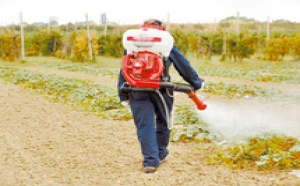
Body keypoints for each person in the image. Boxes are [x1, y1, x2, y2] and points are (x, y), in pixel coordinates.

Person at [117, 19, 204, 173]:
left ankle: (150, 161)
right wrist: (196, 83)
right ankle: (161, 152)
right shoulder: (165, 44)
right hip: (162, 90)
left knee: (145, 125)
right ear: (161, 29)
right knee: (164, 121)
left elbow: (125, 69)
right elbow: (184, 66)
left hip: (137, 89)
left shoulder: (132, 45)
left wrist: (123, 94)